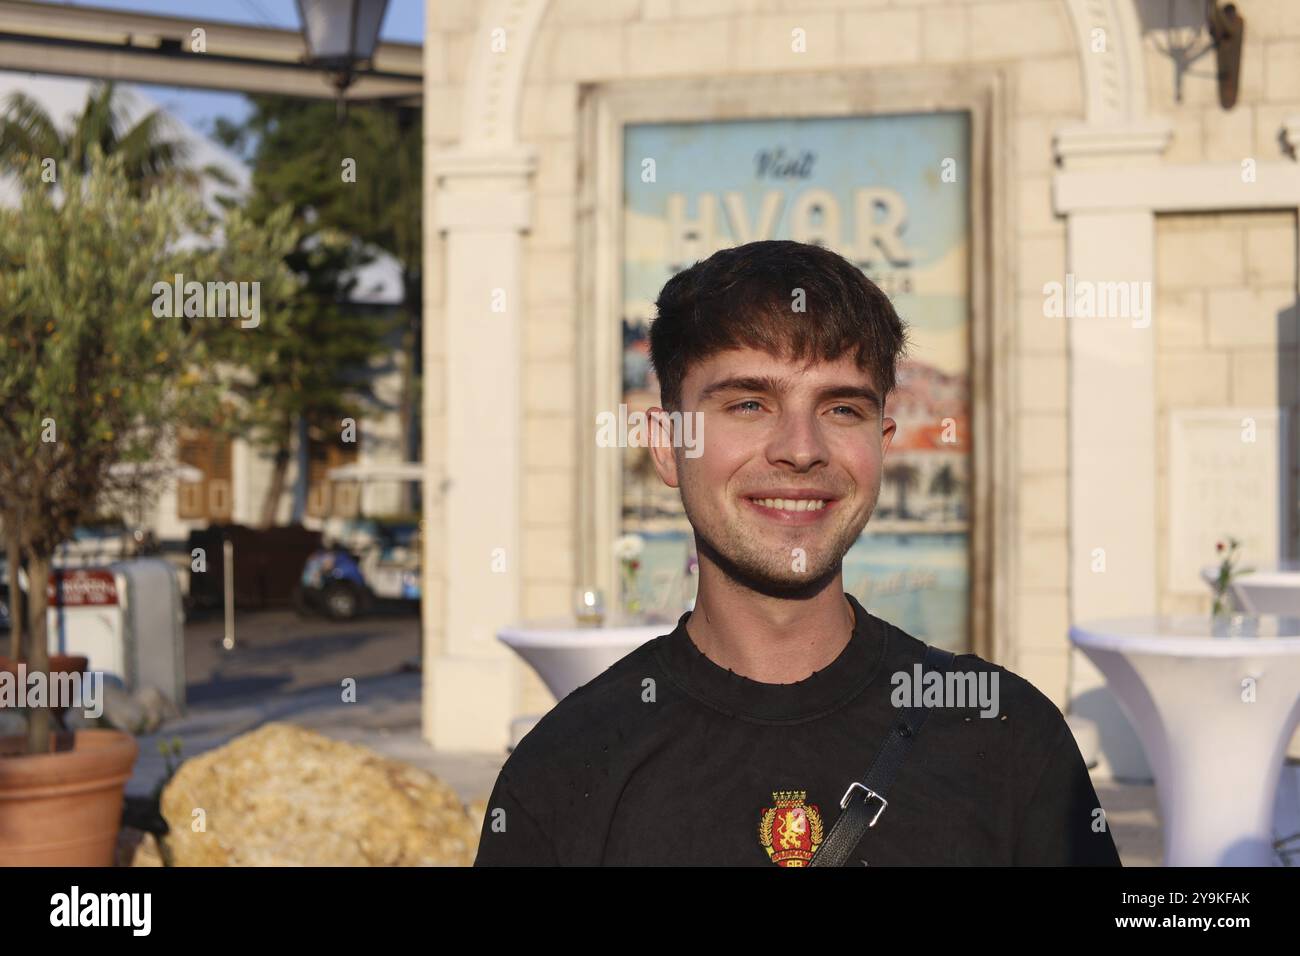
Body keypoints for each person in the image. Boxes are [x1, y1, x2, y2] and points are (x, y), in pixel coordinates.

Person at [474, 240, 1121, 866]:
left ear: (882, 444)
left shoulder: (1006, 737)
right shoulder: (563, 773)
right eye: (750, 403)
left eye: (841, 409)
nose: (800, 448)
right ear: (668, 445)